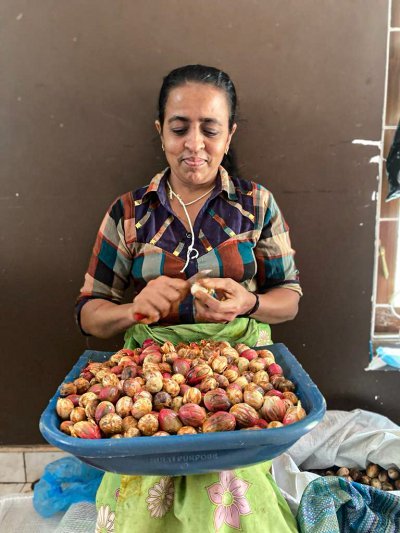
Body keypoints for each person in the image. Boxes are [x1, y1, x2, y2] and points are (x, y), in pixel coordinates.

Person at [76, 65, 302, 533]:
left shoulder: (256, 205)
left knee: (227, 492)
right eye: (180, 128)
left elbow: (290, 297)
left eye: (210, 129)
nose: (194, 144)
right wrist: (132, 309)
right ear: (161, 132)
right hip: (146, 374)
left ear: (229, 135)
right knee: (146, 498)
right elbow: (89, 315)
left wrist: (250, 303)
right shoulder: (129, 213)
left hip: (241, 366)